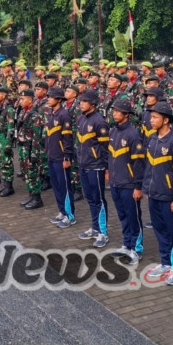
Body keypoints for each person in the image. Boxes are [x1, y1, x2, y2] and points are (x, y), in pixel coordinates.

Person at [142, 101, 173, 285]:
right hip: (154, 194)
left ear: (166, 119)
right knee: (159, 230)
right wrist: (147, 187)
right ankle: (165, 262)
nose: (151, 120)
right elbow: (149, 168)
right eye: (151, 117)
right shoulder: (152, 139)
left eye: (155, 117)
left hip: (169, 197)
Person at [107, 98, 145, 263]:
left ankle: (137, 249)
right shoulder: (113, 131)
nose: (114, 113)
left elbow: (138, 163)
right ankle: (126, 244)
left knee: (133, 216)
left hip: (129, 184)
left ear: (126, 115)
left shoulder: (132, 134)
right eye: (113, 111)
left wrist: (138, 186)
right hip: (116, 182)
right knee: (122, 216)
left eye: (117, 111)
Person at [76, 89, 110, 248]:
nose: (81, 104)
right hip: (83, 165)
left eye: (84, 101)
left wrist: (106, 168)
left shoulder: (99, 122)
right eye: (81, 101)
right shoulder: (81, 119)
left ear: (93, 104)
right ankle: (95, 227)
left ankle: (103, 232)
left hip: (96, 166)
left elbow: (104, 147)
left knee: (99, 200)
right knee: (90, 199)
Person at [44, 87, 76, 228]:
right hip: (51, 155)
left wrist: (67, 157)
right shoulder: (51, 113)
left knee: (65, 187)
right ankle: (62, 211)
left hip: (61, 157)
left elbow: (67, 138)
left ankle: (70, 216)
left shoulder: (64, 115)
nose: (48, 99)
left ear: (58, 99)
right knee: (56, 186)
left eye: (51, 97)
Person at [16, 88, 45, 210]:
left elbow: (37, 137)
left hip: (31, 148)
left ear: (30, 99)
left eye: (23, 99)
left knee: (33, 173)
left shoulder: (35, 115)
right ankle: (31, 194)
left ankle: (37, 198)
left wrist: (34, 153)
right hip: (23, 147)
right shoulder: (24, 112)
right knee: (26, 172)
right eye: (20, 99)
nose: (20, 101)